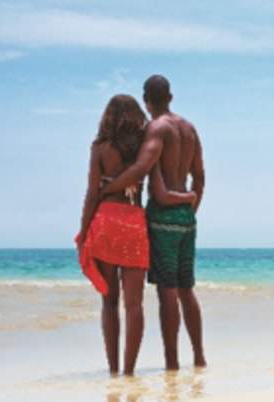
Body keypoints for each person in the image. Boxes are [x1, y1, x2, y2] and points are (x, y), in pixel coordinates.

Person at [76, 94, 196, 375]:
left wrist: (84, 231)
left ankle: (114, 370)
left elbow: (92, 194)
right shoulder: (143, 149)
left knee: (109, 301)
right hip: (134, 225)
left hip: (106, 221)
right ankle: (130, 372)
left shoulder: (100, 149)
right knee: (135, 305)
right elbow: (153, 183)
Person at [101, 75, 207, 369]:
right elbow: (199, 177)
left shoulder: (155, 130)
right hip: (187, 218)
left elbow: (140, 169)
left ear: (147, 101)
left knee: (168, 291)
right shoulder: (189, 129)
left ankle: (172, 362)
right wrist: (189, 209)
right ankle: (199, 356)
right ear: (170, 97)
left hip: (162, 217)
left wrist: (107, 188)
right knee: (187, 288)